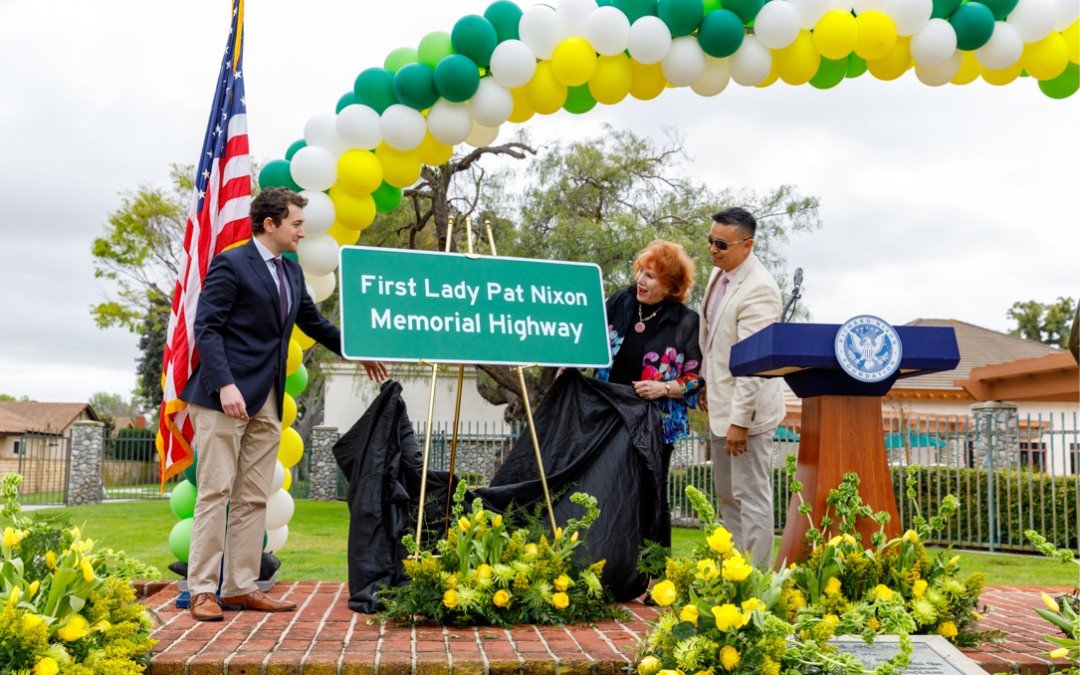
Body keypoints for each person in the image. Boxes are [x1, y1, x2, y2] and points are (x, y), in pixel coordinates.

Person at [180, 187, 386, 621]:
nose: (302, 231)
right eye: (295, 223)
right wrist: (225, 385)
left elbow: (314, 323)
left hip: (268, 400)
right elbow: (207, 327)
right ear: (269, 224)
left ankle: (240, 587)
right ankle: (202, 590)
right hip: (225, 399)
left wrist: (358, 347)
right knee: (215, 493)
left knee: (253, 496)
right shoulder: (231, 263)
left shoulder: (292, 272)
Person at [595, 240, 703, 590]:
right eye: (641, 270)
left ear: (671, 286)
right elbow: (591, 343)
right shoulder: (619, 302)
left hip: (656, 423)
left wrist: (665, 388)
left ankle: (659, 580)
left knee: (652, 497)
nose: (641, 279)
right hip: (610, 415)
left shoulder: (686, 321)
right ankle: (606, 572)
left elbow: (694, 378)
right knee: (606, 490)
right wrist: (571, 366)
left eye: (652, 276)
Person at [697, 207, 785, 569]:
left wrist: (740, 423)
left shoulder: (760, 290)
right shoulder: (721, 272)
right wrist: (704, 381)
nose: (712, 249)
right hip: (719, 405)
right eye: (710, 240)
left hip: (746, 416)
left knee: (751, 497)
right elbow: (714, 338)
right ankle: (736, 574)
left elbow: (754, 367)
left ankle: (758, 584)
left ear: (747, 245)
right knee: (729, 497)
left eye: (721, 243)